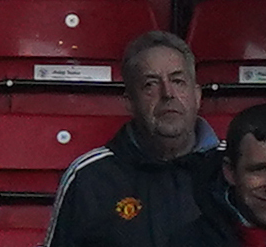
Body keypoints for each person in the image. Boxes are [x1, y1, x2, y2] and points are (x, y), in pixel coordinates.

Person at [40, 42, 215, 247]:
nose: (168, 93)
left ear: (197, 95)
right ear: (129, 101)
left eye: (178, 81)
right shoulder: (89, 176)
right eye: (150, 84)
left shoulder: (230, 169)